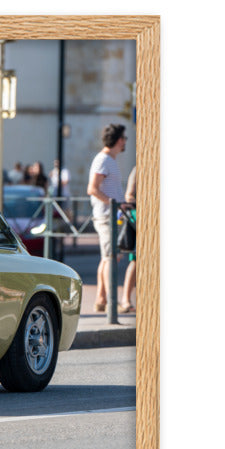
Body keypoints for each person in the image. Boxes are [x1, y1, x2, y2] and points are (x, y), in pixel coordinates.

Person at [87, 123, 128, 312]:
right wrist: (113, 203)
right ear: (119, 140)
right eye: (125, 138)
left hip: (112, 215)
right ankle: (112, 302)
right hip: (106, 217)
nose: (126, 141)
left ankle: (101, 300)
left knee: (107, 258)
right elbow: (92, 188)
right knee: (111, 257)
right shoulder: (103, 160)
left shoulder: (109, 160)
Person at [120, 166, 137, 314]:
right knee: (137, 260)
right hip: (141, 217)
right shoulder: (139, 169)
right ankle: (125, 298)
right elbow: (129, 196)